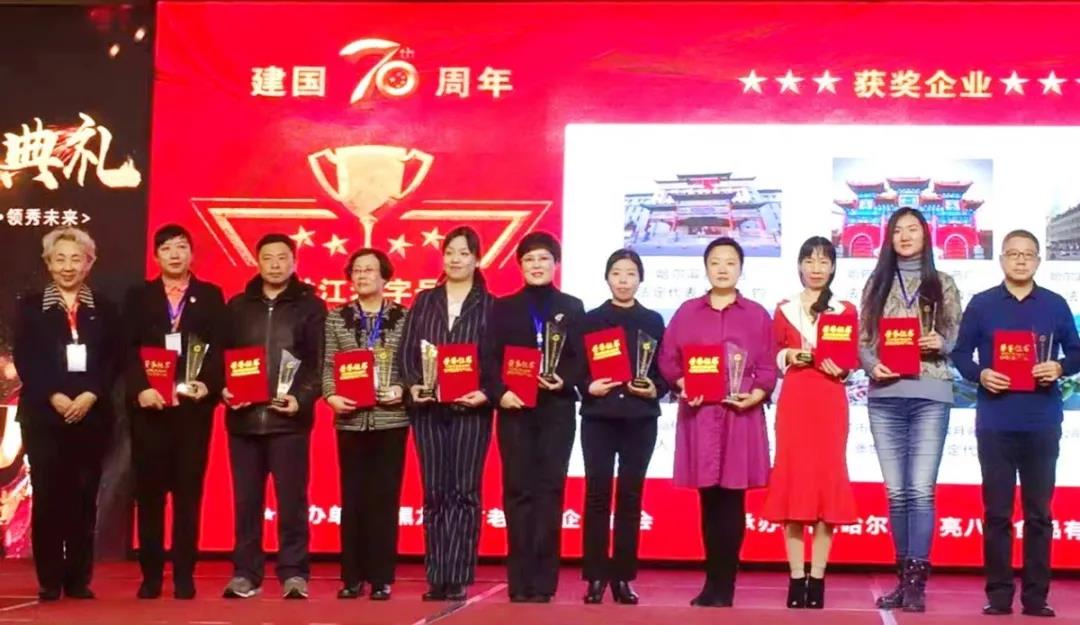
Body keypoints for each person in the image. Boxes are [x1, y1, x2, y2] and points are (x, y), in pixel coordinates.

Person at [951, 230, 1080, 618]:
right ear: (1002, 259)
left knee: (1039, 514)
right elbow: (960, 354)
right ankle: (999, 595)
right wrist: (981, 374)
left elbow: (1077, 352)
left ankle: (1037, 598)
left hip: (1042, 421)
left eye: (1028, 254)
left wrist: (1059, 366)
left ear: (1038, 260)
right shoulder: (983, 304)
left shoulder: (1055, 304)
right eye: (1013, 254)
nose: (1021, 260)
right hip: (996, 422)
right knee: (997, 513)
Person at [658, 236, 776, 608]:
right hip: (701, 415)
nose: (722, 269)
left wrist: (756, 394)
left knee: (732, 499)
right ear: (706, 268)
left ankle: (726, 583)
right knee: (708, 499)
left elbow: (768, 367)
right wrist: (682, 383)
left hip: (740, 416)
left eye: (730, 262)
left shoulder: (756, 315)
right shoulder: (687, 312)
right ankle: (712, 581)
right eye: (715, 262)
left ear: (741, 269)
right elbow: (668, 360)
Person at [858, 207, 961, 612]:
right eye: (897, 230)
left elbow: (955, 335)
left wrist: (941, 342)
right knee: (897, 493)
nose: (904, 236)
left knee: (920, 490)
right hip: (885, 395)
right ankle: (902, 580)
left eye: (912, 229)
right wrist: (871, 365)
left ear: (925, 235)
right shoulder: (877, 282)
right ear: (889, 238)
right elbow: (864, 340)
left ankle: (917, 583)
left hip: (930, 392)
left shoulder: (943, 283)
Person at [13, 227, 118, 601]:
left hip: (91, 414)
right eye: (60, 259)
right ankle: (49, 579)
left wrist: (91, 393)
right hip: (44, 416)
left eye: (76, 259)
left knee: (84, 498)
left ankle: (78, 578)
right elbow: (26, 358)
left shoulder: (104, 308)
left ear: (89, 263)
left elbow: (113, 359)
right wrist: (54, 395)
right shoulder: (31, 307)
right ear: (48, 263)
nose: (68, 266)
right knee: (48, 496)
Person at [123, 224, 227, 600]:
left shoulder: (210, 296)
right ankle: (150, 576)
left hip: (191, 411)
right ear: (156, 256)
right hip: (150, 410)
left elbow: (221, 347)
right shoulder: (139, 297)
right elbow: (126, 349)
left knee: (188, 496)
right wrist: (141, 389)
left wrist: (207, 385)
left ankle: (184, 575)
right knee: (149, 497)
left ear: (191, 254)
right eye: (166, 248)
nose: (174, 254)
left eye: (181, 247)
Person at [481, 231, 585, 603]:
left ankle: (544, 582)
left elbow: (581, 358)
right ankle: (520, 580)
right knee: (518, 491)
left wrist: (564, 379)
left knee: (550, 491)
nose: (536, 265)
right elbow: (488, 358)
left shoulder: (572, 307)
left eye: (543, 258)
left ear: (555, 264)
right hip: (516, 410)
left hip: (556, 410)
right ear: (520, 265)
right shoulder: (503, 307)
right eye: (529, 259)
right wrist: (500, 394)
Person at [221, 234, 326, 600]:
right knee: (246, 503)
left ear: (294, 262)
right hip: (244, 422)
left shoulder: (310, 307)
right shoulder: (237, 306)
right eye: (268, 258)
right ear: (258, 261)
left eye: (283, 258)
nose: (276, 264)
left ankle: (294, 573)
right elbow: (221, 358)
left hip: (289, 422)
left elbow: (319, 363)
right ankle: (245, 574)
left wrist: (302, 399)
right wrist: (225, 390)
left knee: (292, 503)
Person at [761, 236, 858, 609]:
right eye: (810, 261)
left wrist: (842, 368)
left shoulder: (844, 309)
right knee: (794, 484)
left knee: (825, 486)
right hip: (796, 400)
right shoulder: (784, 308)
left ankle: (817, 578)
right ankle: (795, 577)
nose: (816, 269)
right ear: (800, 265)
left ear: (833, 267)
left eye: (824, 262)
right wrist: (789, 355)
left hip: (830, 399)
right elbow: (772, 354)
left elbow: (850, 358)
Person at [398, 227, 494, 602]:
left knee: (465, 492)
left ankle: (459, 574)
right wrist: (413, 386)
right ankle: (437, 574)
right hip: (428, 410)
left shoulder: (490, 305)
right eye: (450, 252)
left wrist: (484, 392)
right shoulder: (425, 301)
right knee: (435, 492)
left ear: (477, 259)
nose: (455, 259)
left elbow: (495, 358)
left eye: (464, 253)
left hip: (471, 410)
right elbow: (407, 352)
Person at [579, 249, 667, 605]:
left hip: (639, 419)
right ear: (607, 277)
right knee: (597, 495)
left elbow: (664, 371)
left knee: (631, 497)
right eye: (617, 273)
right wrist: (588, 386)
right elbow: (575, 366)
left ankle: (623, 578)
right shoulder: (590, 320)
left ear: (640, 279)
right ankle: (595, 577)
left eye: (631, 273)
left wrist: (655, 388)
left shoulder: (653, 321)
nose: (624, 280)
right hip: (598, 417)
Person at [322, 248, 408, 601]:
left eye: (370, 270)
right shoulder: (336, 318)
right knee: (353, 498)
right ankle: (352, 576)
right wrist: (331, 396)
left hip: (391, 420)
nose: (362, 276)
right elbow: (329, 365)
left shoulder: (404, 317)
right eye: (357, 270)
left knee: (385, 499)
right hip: (351, 421)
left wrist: (401, 390)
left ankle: (382, 577)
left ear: (385, 277)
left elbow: (412, 364)